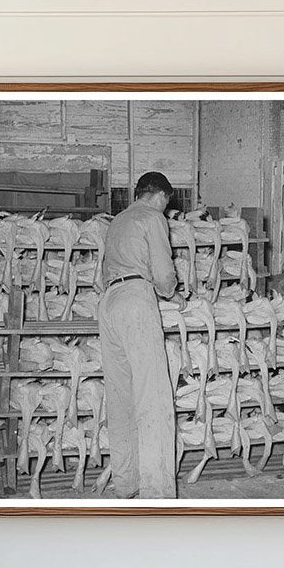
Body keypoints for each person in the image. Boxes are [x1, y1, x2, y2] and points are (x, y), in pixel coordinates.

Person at [97, 171, 182, 499]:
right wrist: (174, 291)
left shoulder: (118, 220)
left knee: (120, 397)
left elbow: (102, 271)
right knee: (153, 397)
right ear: (161, 195)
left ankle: (126, 483)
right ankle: (157, 493)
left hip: (109, 304)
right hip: (135, 299)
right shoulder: (153, 217)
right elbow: (162, 274)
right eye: (166, 201)